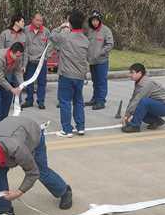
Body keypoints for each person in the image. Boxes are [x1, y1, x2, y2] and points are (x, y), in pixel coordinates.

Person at [0, 116, 74, 215]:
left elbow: (32, 172)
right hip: (9, 136)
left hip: (32, 135)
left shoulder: (15, 147)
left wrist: (19, 192)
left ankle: (64, 191)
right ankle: (5, 211)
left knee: (41, 171)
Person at [50, 10, 89, 138]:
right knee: (78, 101)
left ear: (70, 24)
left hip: (66, 75)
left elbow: (52, 35)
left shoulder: (65, 36)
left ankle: (67, 129)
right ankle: (81, 127)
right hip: (80, 75)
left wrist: (61, 27)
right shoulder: (85, 39)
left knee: (65, 101)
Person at [121, 63, 165, 133]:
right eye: (129, 72)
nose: (129, 75)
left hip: (164, 106)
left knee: (144, 102)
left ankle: (135, 126)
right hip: (155, 104)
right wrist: (126, 115)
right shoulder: (139, 82)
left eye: (132, 73)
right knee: (139, 111)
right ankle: (156, 121)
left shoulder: (146, 83)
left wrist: (128, 116)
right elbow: (133, 99)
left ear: (140, 73)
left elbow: (137, 100)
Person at [85, 10, 114, 110]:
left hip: (102, 61)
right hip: (92, 61)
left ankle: (101, 101)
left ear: (100, 20)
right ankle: (95, 98)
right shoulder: (90, 30)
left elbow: (110, 44)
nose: (95, 22)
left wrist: (100, 52)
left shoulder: (106, 30)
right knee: (95, 81)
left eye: (96, 20)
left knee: (101, 81)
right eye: (93, 20)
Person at [23, 12, 51, 110]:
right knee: (29, 81)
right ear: (33, 20)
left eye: (41, 20)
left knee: (42, 82)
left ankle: (41, 101)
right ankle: (29, 100)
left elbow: (50, 45)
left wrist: (46, 57)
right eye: (37, 20)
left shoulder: (46, 31)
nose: (39, 22)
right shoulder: (26, 30)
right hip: (30, 60)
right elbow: (24, 46)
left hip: (41, 61)